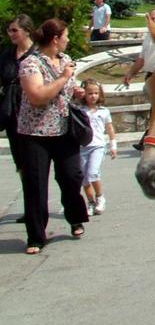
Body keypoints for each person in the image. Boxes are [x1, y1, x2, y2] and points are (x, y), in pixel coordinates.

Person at [18, 19, 90, 254]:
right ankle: (36, 236)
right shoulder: (30, 63)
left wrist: (77, 92)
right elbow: (37, 96)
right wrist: (62, 79)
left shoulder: (66, 60)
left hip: (64, 130)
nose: (69, 39)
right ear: (55, 39)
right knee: (35, 185)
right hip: (35, 133)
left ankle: (75, 217)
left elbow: (68, 92)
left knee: (72, 176)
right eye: (66, 35)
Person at [1, 14, 35, 223]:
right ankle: (30, 208)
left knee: (36, 165)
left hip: (35, 117)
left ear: (27, 31)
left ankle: (37, 207)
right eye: (9, 30)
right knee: (22, 164)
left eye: (15, 30)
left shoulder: (38, 53)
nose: (11, 34)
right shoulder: (6, 55)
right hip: (13, 116)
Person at [79, 79, 115, 215]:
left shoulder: (104, 111)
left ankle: (100, 197)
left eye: (96, 93)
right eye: (89, 93)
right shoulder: (80, 110)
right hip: (82, 147)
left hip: (97, 146)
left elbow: (110, 128)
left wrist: (113, 145)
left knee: (92, 173)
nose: (93, 96)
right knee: (84, 177)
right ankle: (91, 202)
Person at [123, 10, 155, 85]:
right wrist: (130, 73)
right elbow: (142, 59)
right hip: (150, 76)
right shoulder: (149, 35)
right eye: (152, 19)